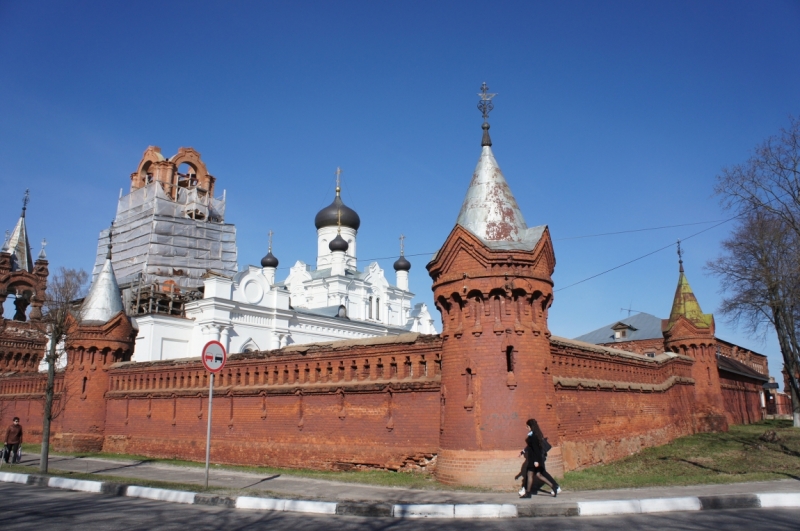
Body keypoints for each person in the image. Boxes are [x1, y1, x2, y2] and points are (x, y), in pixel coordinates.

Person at [518, 418, 560, 498]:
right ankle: (553, 486)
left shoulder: (533, 436)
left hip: (534, 459)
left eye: (527, 426)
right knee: (538, 475)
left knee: (530, 474)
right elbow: (531, 447)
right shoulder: (534, 434)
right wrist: (523, 451)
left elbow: (536, 450)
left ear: (530, 426)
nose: (526, 428)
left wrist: (536, 461)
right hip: (535, 458)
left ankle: (528, 493)